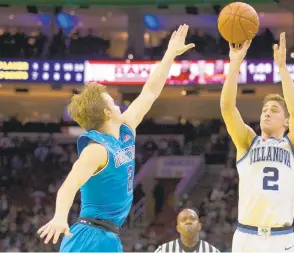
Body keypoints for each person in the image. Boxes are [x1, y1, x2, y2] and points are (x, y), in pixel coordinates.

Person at [36, 24, 195, 252]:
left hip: (109, 235)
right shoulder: (96, 149)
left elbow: (149, 92)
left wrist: (170, 54)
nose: (117, 102)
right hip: (89, 235)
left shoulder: (125, 131)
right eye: (112, 100)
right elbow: (68, 187)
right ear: (107, 113)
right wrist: (60, 217)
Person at [220, 33, 294, 252]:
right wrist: (235, 63)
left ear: (286, 121)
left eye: (274, 110)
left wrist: (282, 68)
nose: (267, 114)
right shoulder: (247, 141)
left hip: (281, 238)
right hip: (246, 236)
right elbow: (227, 108)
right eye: (264, 110)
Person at [154, 209, 220, 253]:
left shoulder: (211, 251)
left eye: (192, 219)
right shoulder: (164, 250)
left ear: (199, 226)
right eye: (183, 220)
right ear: (178, 228)